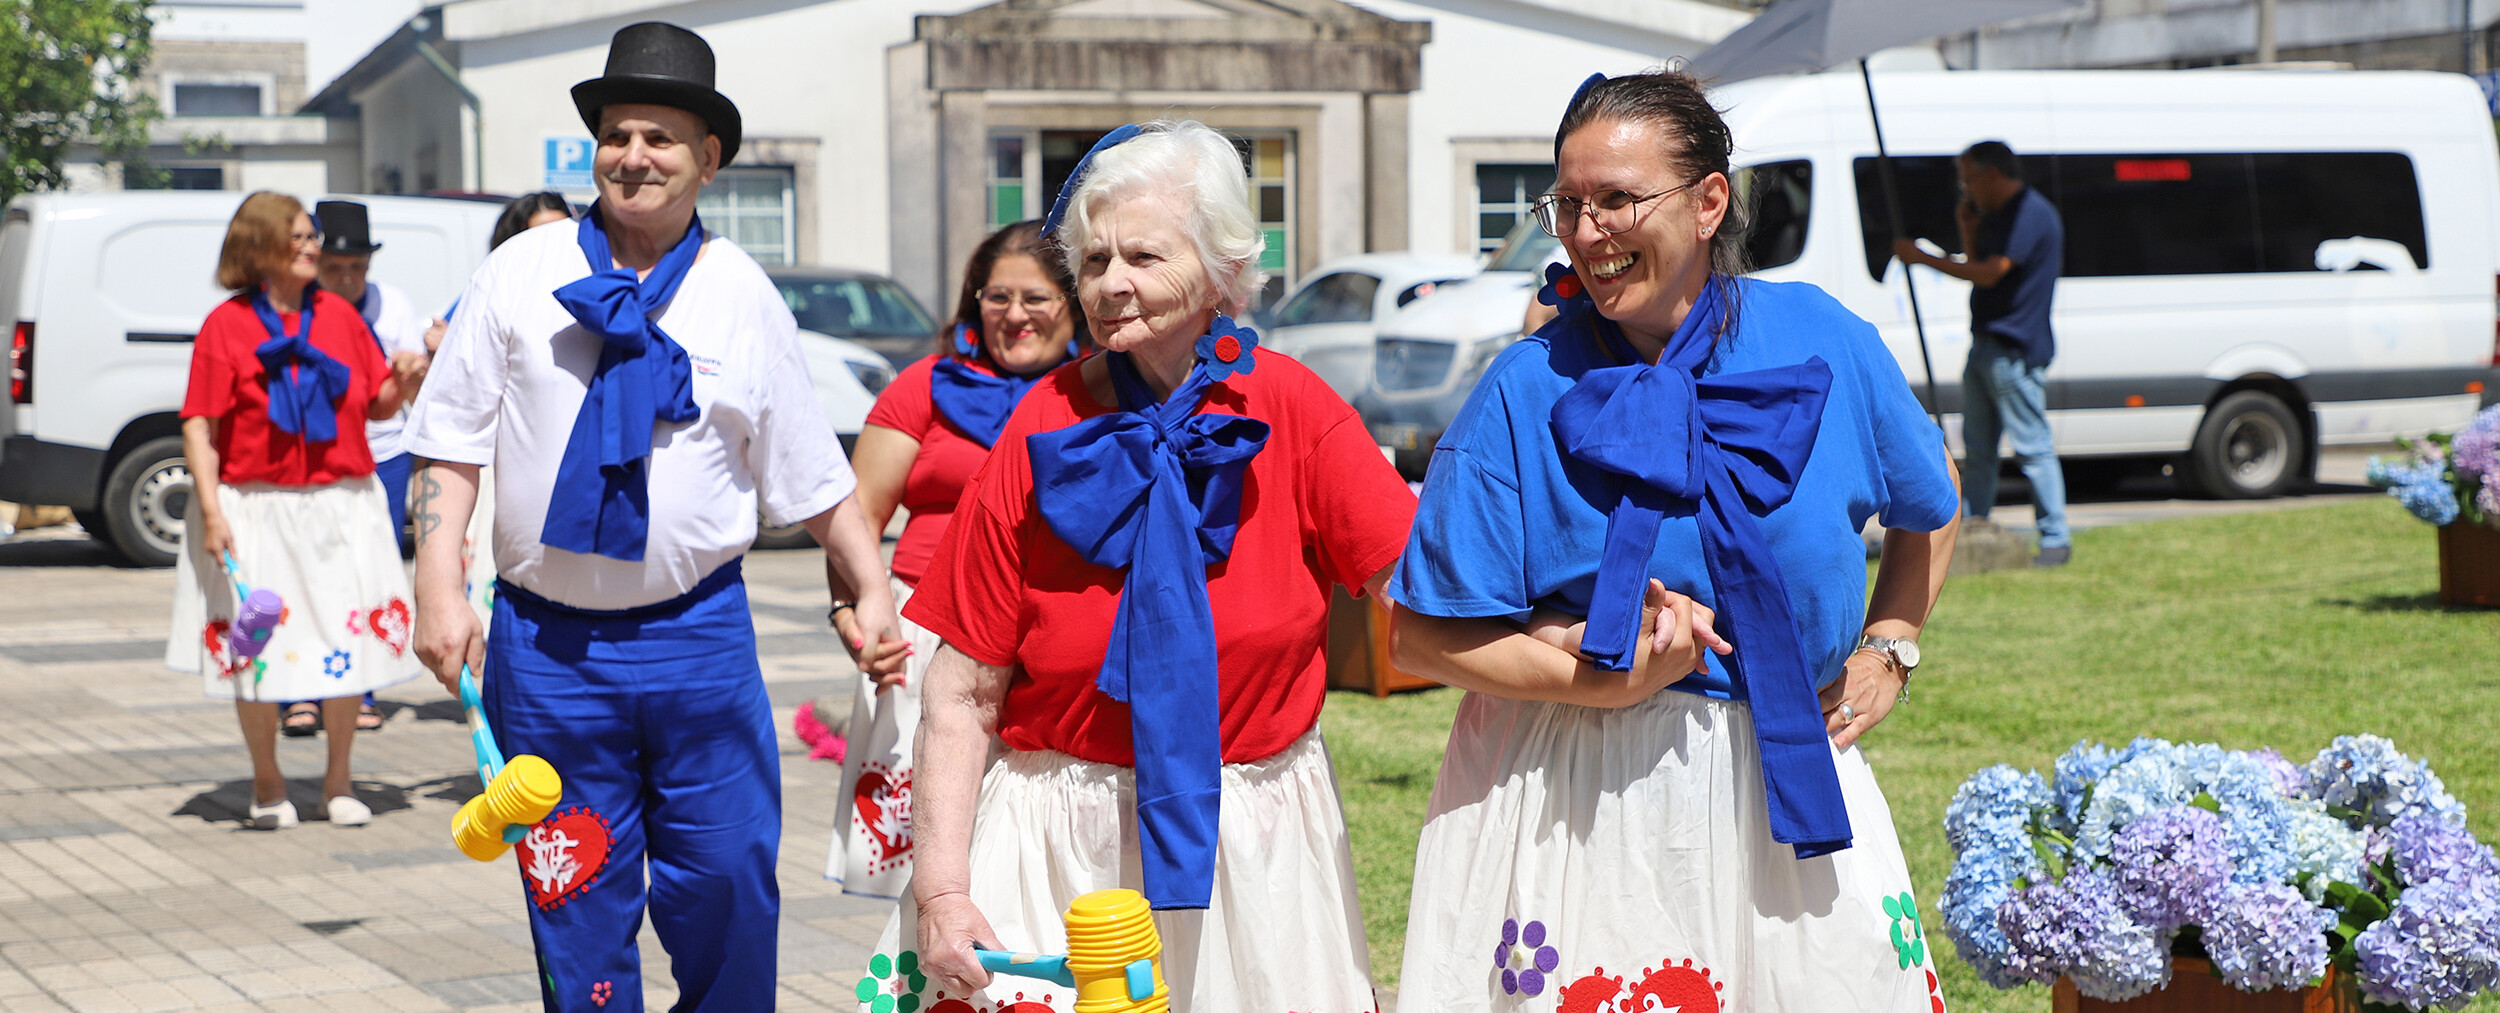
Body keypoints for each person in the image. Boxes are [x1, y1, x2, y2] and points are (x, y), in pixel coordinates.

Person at [1389, 71, 1963, 1012]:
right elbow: (1424, 636)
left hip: (1791, 776)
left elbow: (1928, 503)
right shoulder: (1525, 387)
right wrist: (1601, 680)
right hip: (1585, 795)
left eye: (1617, 199)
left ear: (1708, 201)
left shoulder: (1821, 337)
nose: (1586, 231)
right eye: (1569, 204)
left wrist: (1890, 643)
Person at [402, 22, 906, 1011]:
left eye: (661, 137)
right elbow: (449, 445)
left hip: (698, 640)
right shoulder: (520, 271)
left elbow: (811, 476)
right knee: (573, 892)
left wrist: (875, 588)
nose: (634, 156)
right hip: (546, 648)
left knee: (725, 881)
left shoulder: (742, 293)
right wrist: (437, 590)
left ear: (708, 159)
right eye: (618, 134)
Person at [871, 120, 1415, 1013]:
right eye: (1093, 261)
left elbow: (1425, 591)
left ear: (1220, 268)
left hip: (1252, 846)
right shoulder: (1038, 426)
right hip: (1059, 844)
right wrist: (942, 891)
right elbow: (962, 690)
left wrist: (1576, 632)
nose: (1111, 283)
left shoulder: (1295, 408)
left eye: (1143, 256)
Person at [822, 218, 1084, 900]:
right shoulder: (924, 387)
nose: (1015, 315)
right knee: (921, 868)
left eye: (1037, 298)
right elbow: (857, 517)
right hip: (925, 634)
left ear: (1074, 303)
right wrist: (849, 613)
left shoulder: (1102, 393)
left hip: (1052, 641)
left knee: (1032, 856)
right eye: (997, 297)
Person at [164, 191, 423, 830]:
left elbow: (376, 404)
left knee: (345, 638)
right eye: (301, 237)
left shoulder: (338, 314)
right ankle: (267, 780)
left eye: (313, 237)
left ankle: (339, 779)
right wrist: (211, 511)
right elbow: (200, 424)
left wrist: (407, 378)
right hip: (254, 507)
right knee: (255, 647)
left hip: (340, 502)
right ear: (262, 247)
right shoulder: (227, 325)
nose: (315, 247)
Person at [274, 199, 434, 737]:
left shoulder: (393, 306)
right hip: (307, 463)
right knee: (298, 574)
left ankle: (359, 689)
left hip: (381, 458)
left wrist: (409, 376)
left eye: (358, 269)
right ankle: (298, 695)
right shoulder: (296, 311)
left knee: (369, 575)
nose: (347, 279)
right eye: (336, 268)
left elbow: (404, 393)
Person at [1893, 139, 2070, 567]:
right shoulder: (1999, 215)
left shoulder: (2029, 215)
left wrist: (1922, 258)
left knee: (2033, 447)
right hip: (1987, 346)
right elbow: (1980, 261)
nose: (1966, 189)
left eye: (1969, 179)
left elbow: (1991, 273)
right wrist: (1967, 226)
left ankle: (2055, 539)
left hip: (2014, 351)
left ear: (1993, 175)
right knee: (1979, 449)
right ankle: (1971, 530)